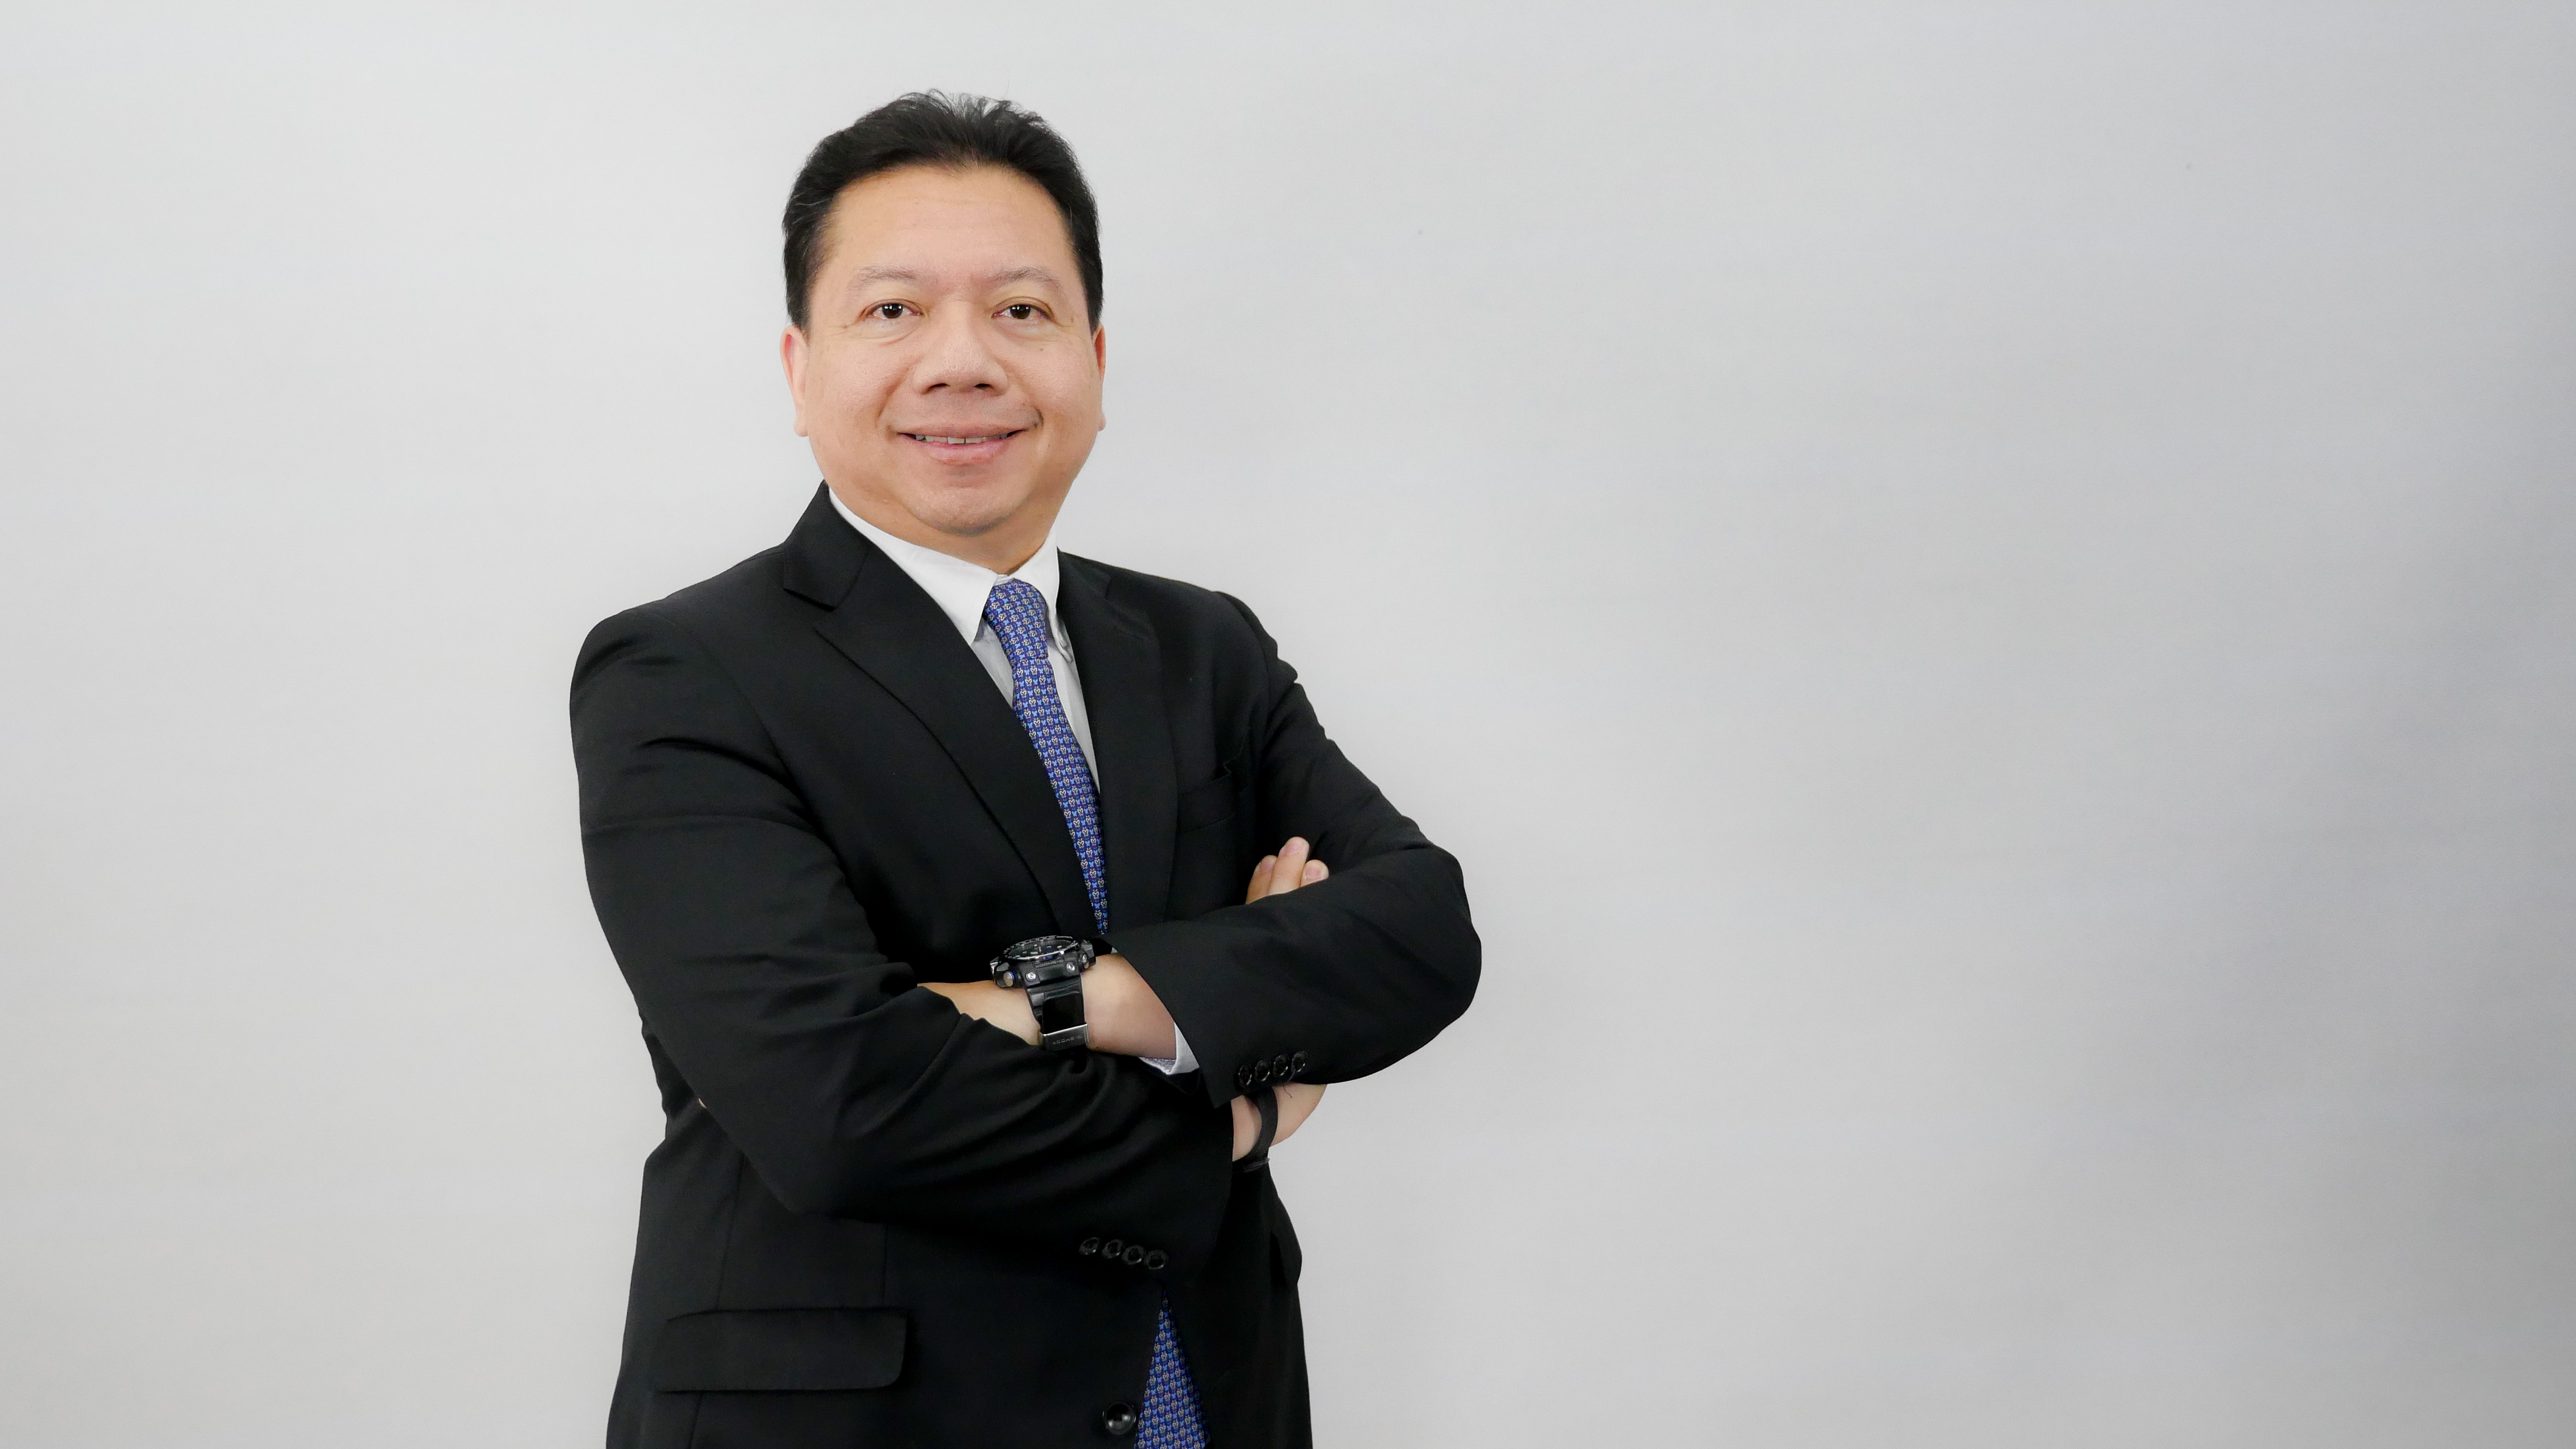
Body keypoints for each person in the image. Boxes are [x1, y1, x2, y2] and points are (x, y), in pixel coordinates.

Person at [571, 91, 1479, 1449]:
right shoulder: (683, 670)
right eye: (893, 311)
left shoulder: (1202, 646)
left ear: (1093, 363)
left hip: (1210, 1394)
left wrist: (1068, 1003)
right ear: (800, 368)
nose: (963, 362)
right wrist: (1230, 1112)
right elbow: (840, 1101)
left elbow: (1417, 934)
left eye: (1021, 310)